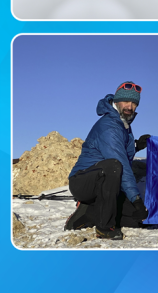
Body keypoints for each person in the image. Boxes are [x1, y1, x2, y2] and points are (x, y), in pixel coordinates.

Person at [64, 82, 150, 240]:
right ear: (116, 102)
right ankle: (104, 228)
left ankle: (88, 212)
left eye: (134, 103)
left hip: (102, 181)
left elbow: (120, 151)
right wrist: (136, 199)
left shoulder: (122, 123)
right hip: (82, 181)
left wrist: (136, 145)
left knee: (135, 219)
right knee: (114, 166)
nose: (130, 106)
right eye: (126, 102)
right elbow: (119, 161)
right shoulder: (109, 126)